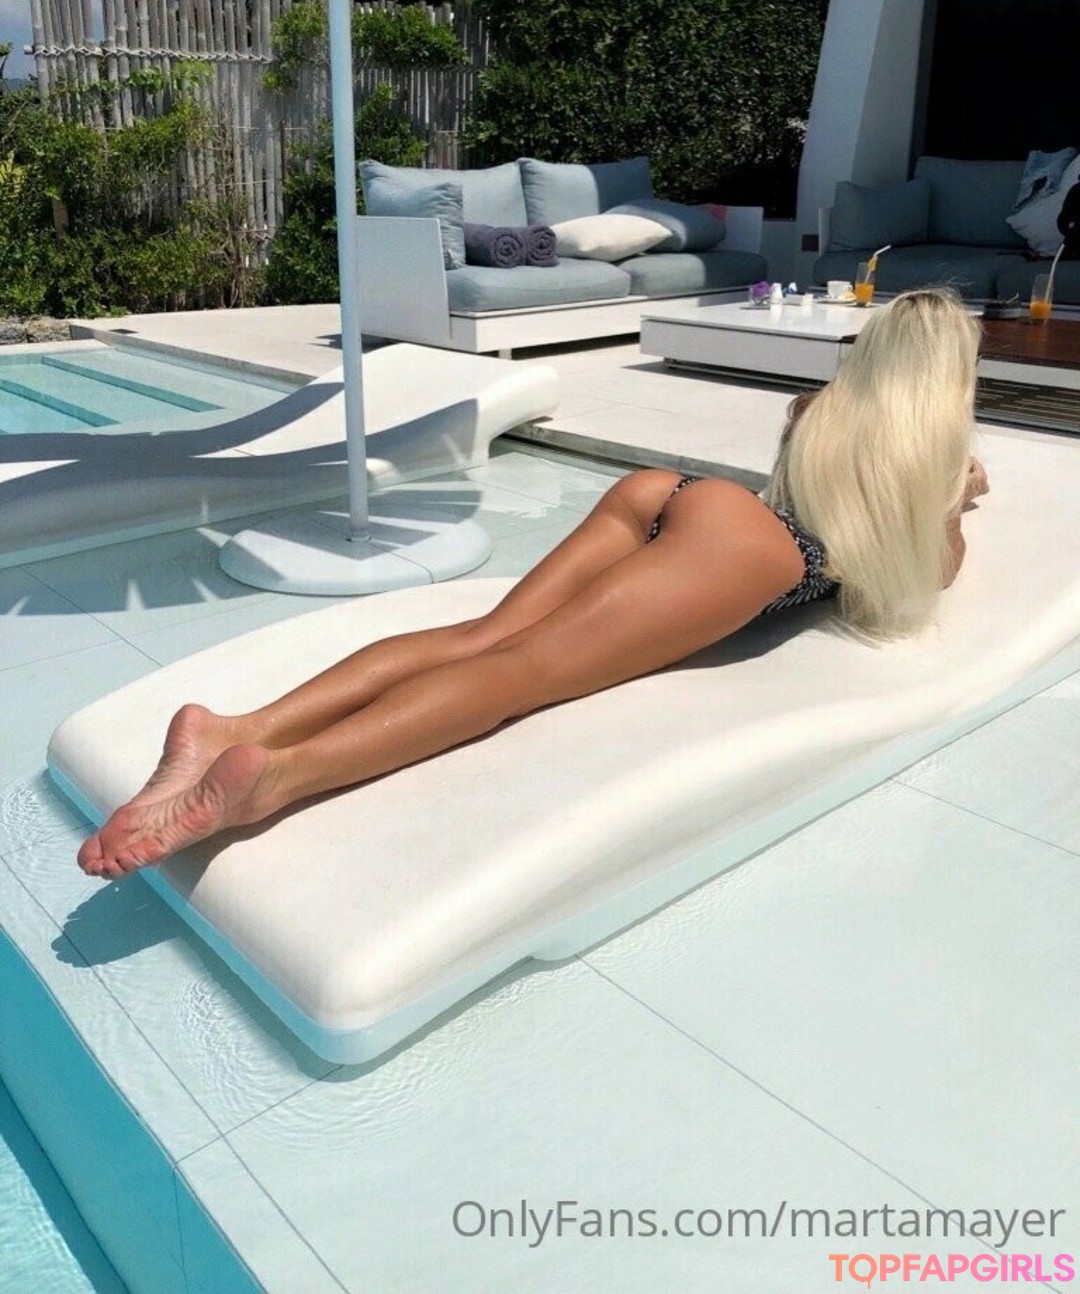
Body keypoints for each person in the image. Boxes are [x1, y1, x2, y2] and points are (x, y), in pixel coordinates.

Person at [77, 288, 989, 880]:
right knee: (521, 675)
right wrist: (955, 504)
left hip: (669, 497)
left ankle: (236, 729)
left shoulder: (817, 409)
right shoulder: (934, 455)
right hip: (749, 550)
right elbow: (923, 573)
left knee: (483, 637)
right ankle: (277, 777)